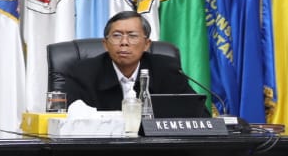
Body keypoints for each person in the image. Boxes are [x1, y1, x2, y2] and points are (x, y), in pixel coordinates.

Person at [61, 10, 196, 111]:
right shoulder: (83, 73)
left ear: (146, 44)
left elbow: (198, 115)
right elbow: (66, 120)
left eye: (133, 36)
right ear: (105, 44)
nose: (124, 42)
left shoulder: (167, 70)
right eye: (117, 35)